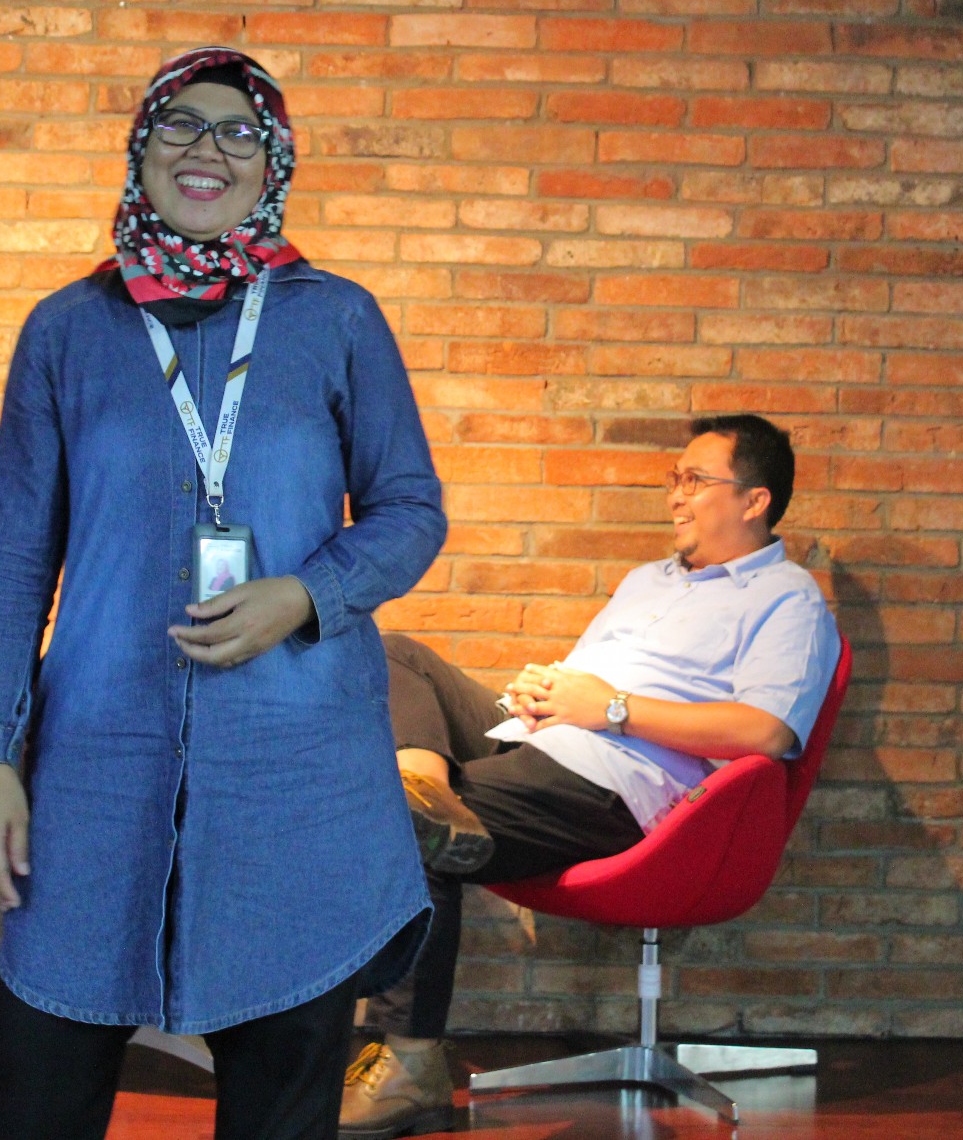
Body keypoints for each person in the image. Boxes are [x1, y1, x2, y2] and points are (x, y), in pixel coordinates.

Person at [0, 46, 447, 1140]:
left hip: (295, 772)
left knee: (281, 1102)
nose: (206, 150)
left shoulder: (336, 318)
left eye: (238, 132)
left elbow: (412, 509)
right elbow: (13, 561)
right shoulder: (66, 329)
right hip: (99, 765)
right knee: (33, 1089)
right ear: (140, 152)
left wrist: (304, 594)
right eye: (179, 126)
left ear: (273, 163)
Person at [341, 414, 840, 1139]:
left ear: (754, 500)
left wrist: (610, 708)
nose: (676, 494)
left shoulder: (787, 597)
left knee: (402, 831)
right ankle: (426, 789)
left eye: (695, 479)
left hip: (616, 782)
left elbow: (766, 730)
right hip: (540, 741)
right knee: (396, 652)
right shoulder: (647, 581)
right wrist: (544, 694)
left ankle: (412, 1061)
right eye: (674, 478)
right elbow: (588, 683)